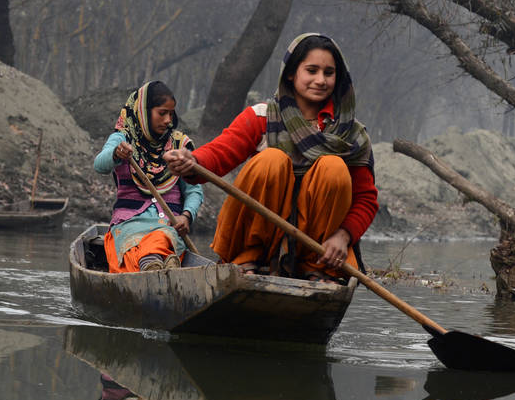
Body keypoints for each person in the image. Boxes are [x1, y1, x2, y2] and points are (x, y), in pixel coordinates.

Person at [164, 33, 377, 281]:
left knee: (333, 167)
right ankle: (246, 258)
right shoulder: (262, 117)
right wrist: (192, 160)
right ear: (290, 73)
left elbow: (366, 199)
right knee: (271, 160)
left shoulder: (351, 134)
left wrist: (344, 236)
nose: (320, 80)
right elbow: (221, 152)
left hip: (321, 257)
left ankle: (315, 268)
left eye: (329, 73)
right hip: (254, 256)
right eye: (311, 70)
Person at [94, 81, 202, 272]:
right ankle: (153, 264)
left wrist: (186, 217)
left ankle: (152, 263)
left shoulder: (180, 145)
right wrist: (116, 154)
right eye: (162, 113)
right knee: (129, 255)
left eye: (171, 114)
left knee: (161, 238)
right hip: (128, 226)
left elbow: (194, 190)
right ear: (144, 112)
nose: (168, 120)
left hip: (169, 227)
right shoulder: (123, 138)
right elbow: (99, 165)